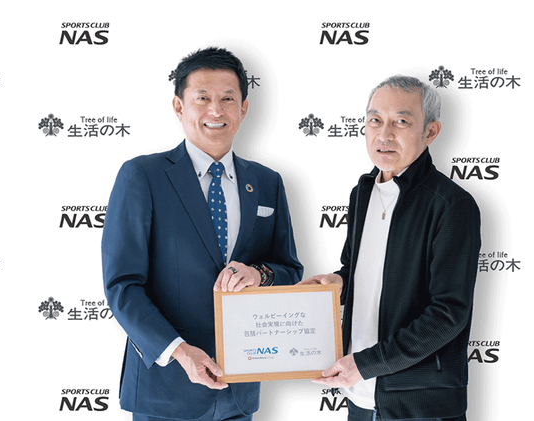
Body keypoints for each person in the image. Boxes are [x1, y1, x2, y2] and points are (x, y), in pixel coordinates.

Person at [102, 47, 303, 421]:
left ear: (243, 109)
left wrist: (258, 274)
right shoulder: (142, 176)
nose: (216, 110)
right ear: (179, 107)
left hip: (240, 390)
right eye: (202, 98)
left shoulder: (267, 182)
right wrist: (180, 352)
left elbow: (289, 270)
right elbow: (123, 286)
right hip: (166, 390)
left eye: (228, 99)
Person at [300, 75, 481, 421]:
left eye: (401, 122)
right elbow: (361, 270)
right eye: (375, 120)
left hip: (420, 405)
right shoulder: (362, 192)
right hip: (359, 394)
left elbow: (449, 313)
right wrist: (340, 283)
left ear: (430, 132)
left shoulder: (451, 205)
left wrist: (366, 364)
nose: (384, 134)